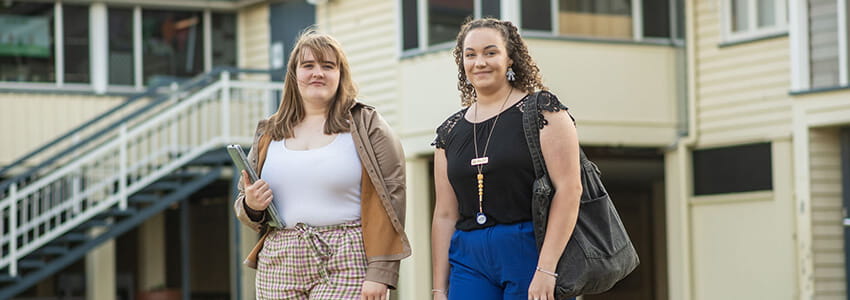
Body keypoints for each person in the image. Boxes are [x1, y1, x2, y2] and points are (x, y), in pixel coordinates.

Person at [234, 30, 410, 300]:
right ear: (294, 74)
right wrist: (251, 205)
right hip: (279, 257)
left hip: (347, 256)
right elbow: (243, 203)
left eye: (328, 66)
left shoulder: (367, 124)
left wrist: (381, 272)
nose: (318, 73)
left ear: (340, 75)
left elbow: (393, 196)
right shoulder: (269, 131)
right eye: (308, 65)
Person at [430, 18, 582, 300]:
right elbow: (445, 214)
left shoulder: (543, 111)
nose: (480, 62)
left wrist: (546, 269)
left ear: (510, 58)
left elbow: (570, 189)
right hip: (468, 256)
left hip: (530, 248)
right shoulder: (449, 131)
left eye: (490, 52)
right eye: (470, 55)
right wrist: (439, 289)